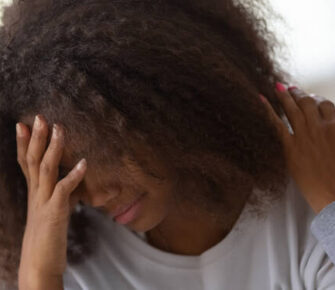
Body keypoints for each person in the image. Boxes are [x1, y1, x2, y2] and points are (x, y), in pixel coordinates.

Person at [0, 0, 334, 289]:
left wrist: (329, 204)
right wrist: (38, 277)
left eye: (98, 154)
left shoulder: (311, 188)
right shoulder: (69, 258)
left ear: (154, 106)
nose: (94, 196)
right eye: (61, 170)